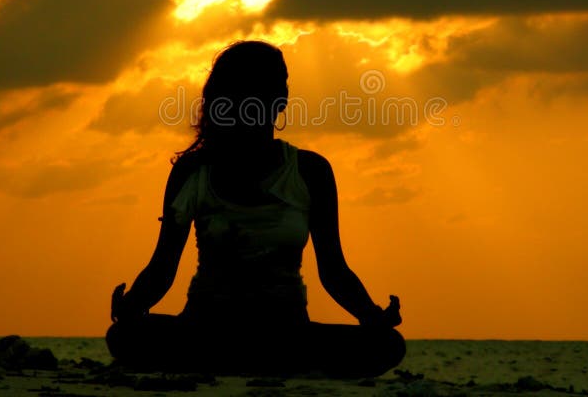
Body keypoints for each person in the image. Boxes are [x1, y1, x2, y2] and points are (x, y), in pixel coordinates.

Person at [105, 40, 405, 377]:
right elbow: (163, 267)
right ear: (223, 101)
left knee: (389, 344)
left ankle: (247, 360)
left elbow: (334, 270)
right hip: (206, 328)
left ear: (281, 102)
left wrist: (373, 317)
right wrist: (131, 308)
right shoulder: (193, 171)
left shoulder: (310, 171)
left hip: (286, 330)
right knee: (124, 336)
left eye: (272, 91)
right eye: (248, 92)